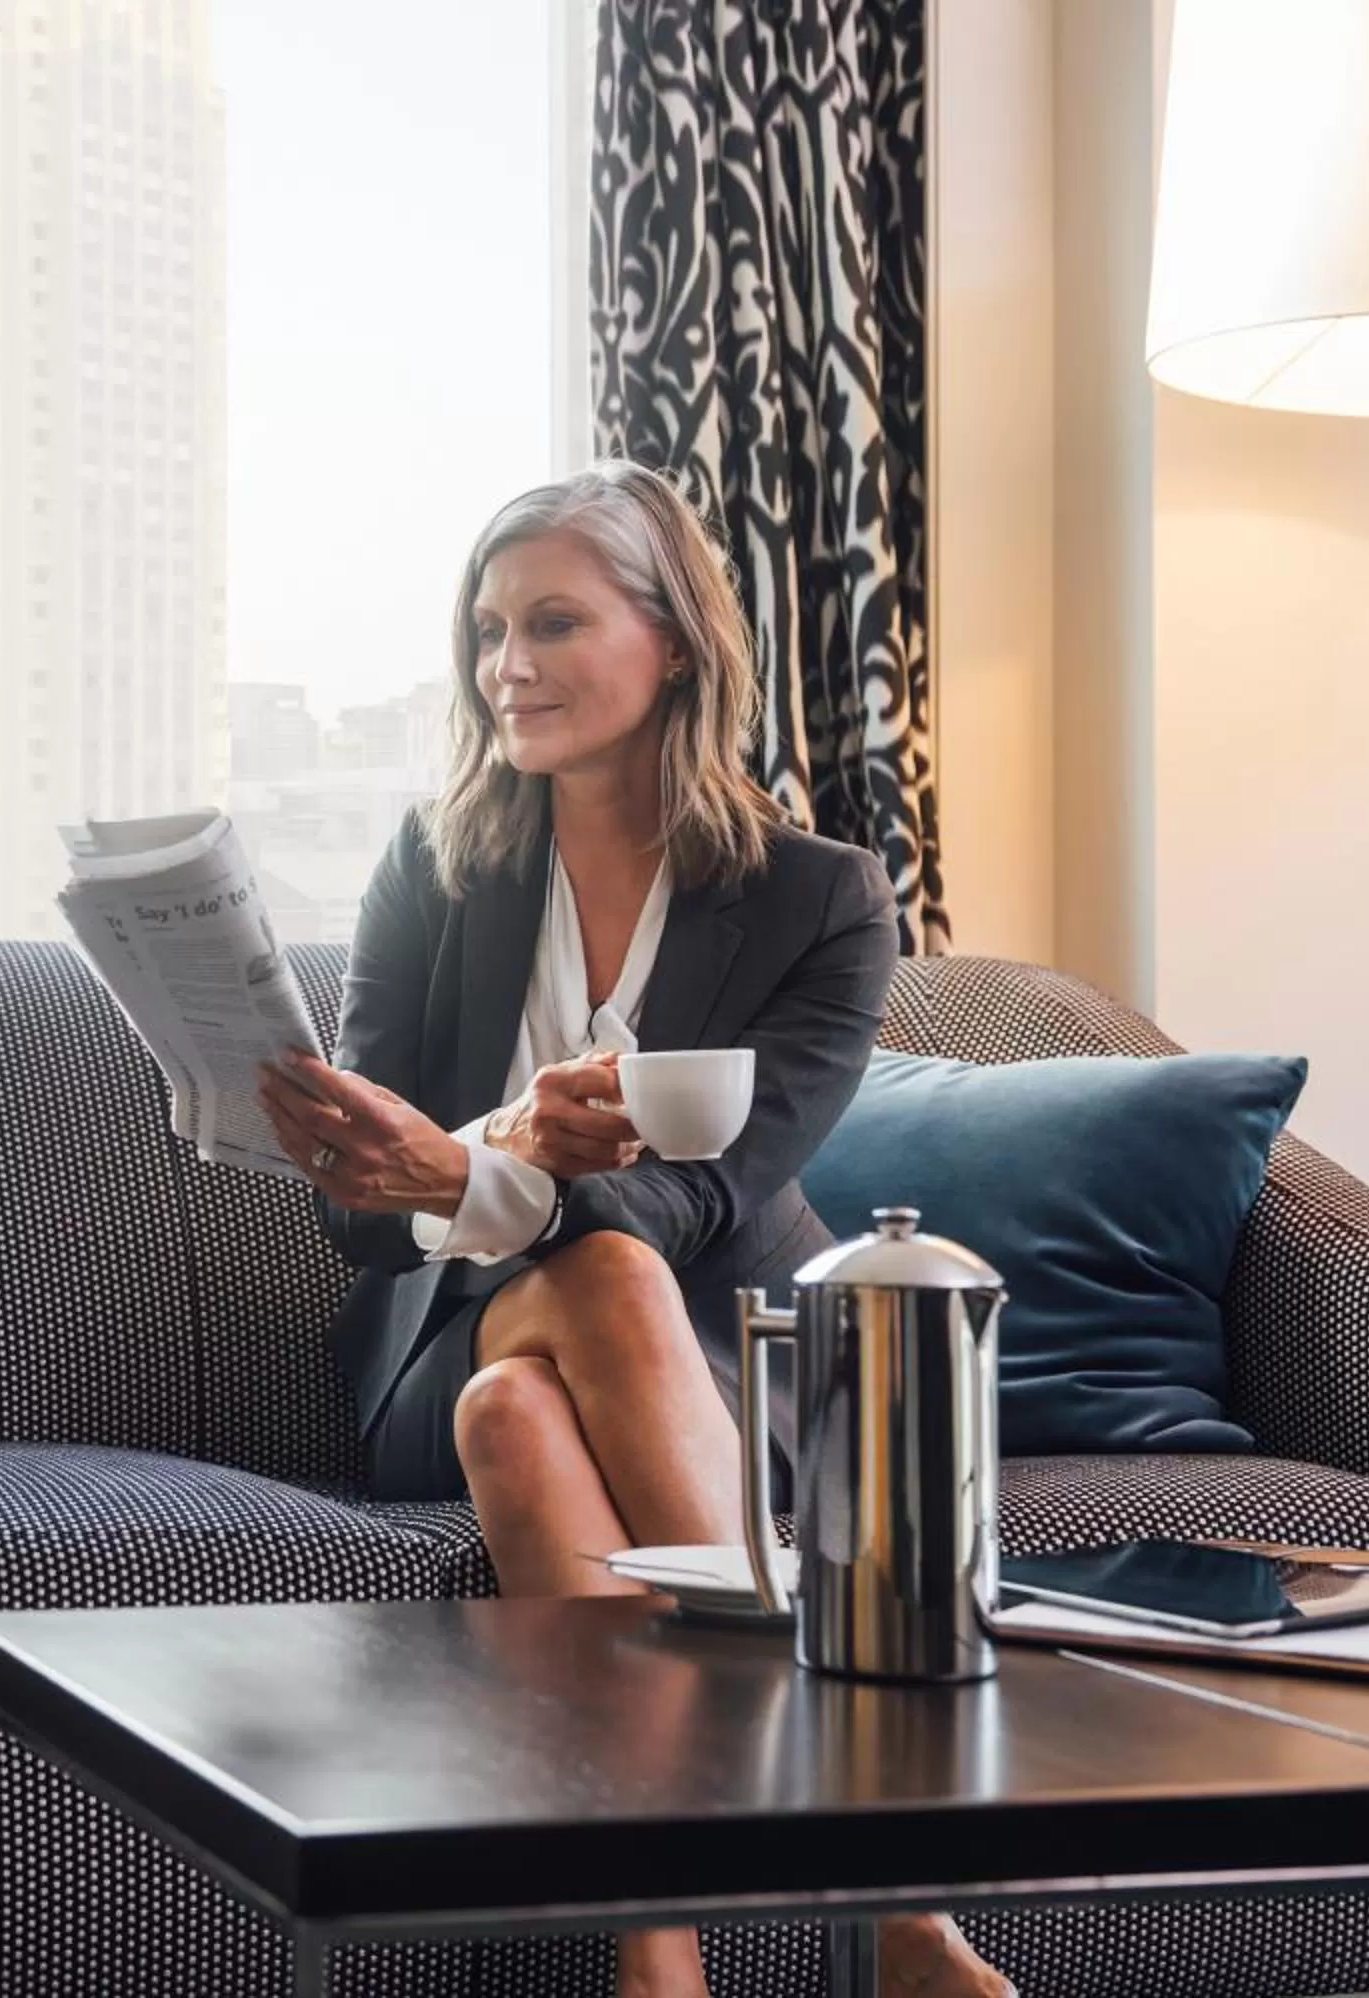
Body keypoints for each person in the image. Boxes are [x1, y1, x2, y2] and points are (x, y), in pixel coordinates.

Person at [256, 462, 1012, 1998]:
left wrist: (479, 1166)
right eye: (486, 630)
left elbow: (717, 1186)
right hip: (432, 1340)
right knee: (564, 1296)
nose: (504, 667)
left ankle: (654, 1955)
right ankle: (896, 1896)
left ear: (671, 641)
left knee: (521, 1423)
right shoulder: (435, 866)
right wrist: (485, 1159)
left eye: (551, 622)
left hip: (721, 1374)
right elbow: (360, 1220)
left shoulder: (824, 901)